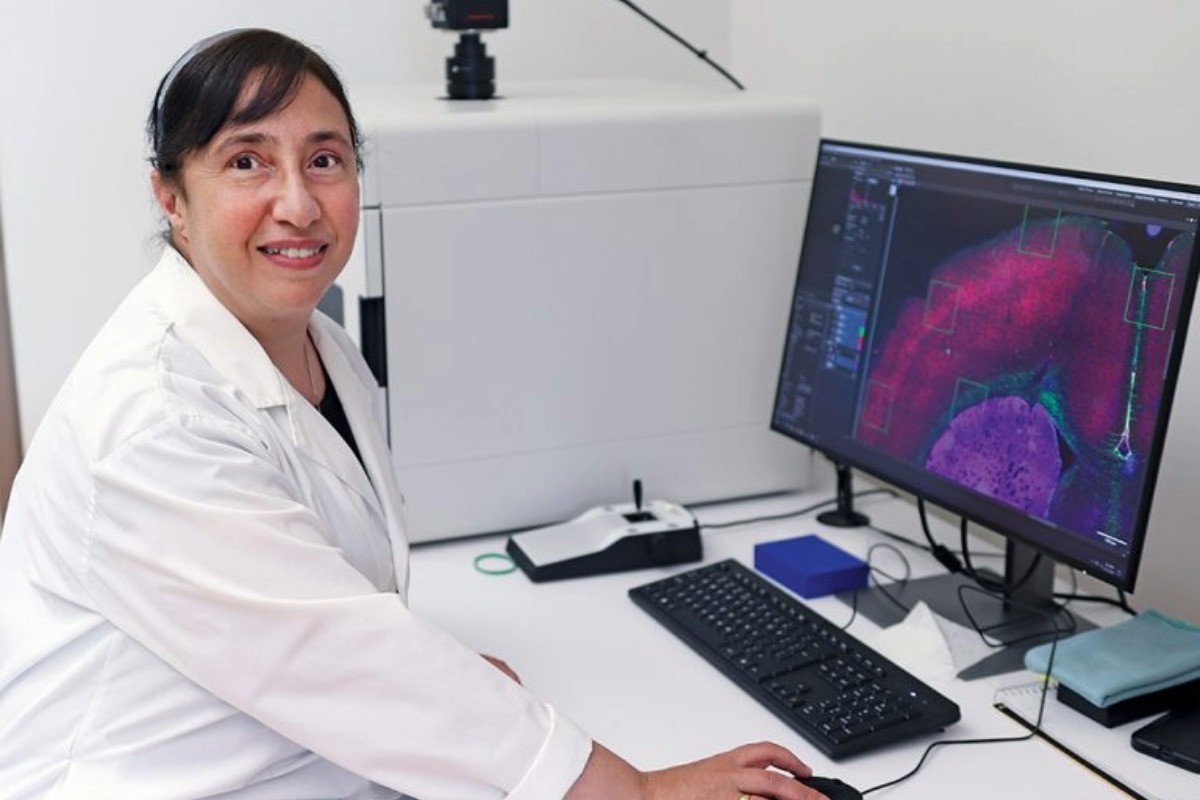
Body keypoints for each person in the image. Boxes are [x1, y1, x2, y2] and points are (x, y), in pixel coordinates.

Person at [0, 28, 828, 800]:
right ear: (171, 197)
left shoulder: (322, 351)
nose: (297, 202)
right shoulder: (153, 420)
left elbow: (321, 607)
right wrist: (639, 791)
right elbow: (339, 658)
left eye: (324, 159)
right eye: (247, 162)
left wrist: (444, 681)